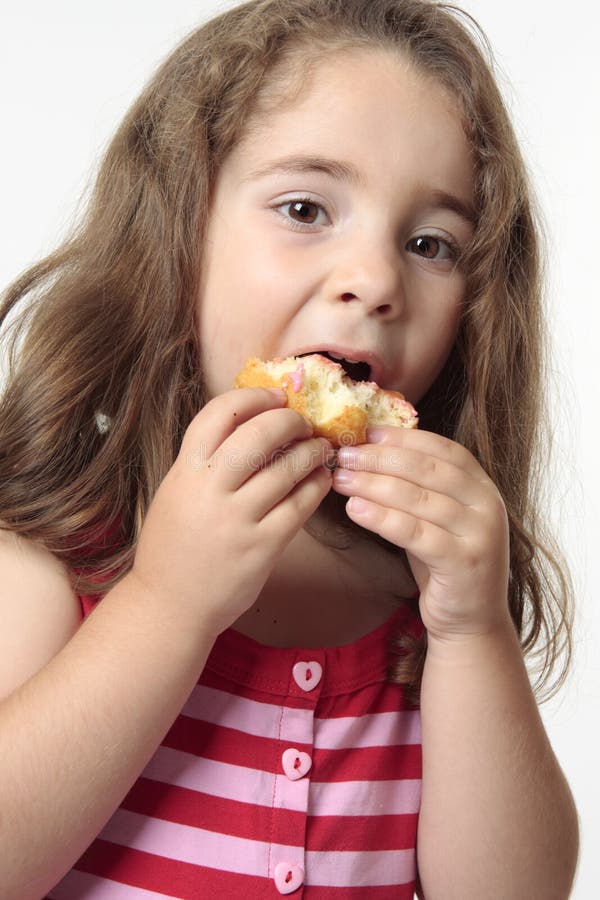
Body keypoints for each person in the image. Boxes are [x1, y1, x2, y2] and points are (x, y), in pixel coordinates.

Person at [0, 0, 579, 897]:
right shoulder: (59, 552)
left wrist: (474, 630)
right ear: (176, 231)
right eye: (306, 207)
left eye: (431, 243)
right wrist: (166, 604)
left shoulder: (425, 607)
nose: (376, 281)